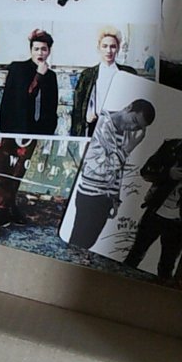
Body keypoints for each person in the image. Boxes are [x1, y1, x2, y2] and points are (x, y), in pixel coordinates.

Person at [124, 104, 182, 279]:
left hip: (180, 220)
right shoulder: (170, 146)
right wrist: (167, 174)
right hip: (155, 211)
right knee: (134, 255)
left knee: (166, 267)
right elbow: (146, 171)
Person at [67, 99, 156, 250]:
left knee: (88, 243)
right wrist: (126, 150)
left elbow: (118, 170)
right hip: (90, 196)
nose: (133, 127)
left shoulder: (127, 134)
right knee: (78, 242)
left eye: (138, 127)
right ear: (128, 107)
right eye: (134, 120)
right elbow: (99, 168)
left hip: (105, 199)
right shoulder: (101, 124)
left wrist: (115, 198)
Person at [71, 26, 137, 137]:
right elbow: (78, 106)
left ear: (118, 48)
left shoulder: (127, 73)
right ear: (99, 48)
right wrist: (87, 115)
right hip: (95, 125)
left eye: (112, 46)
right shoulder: (87, 75)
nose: (108, 51)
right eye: (105, 46)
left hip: (118, 127)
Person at [0, 29, 58, 135]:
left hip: (41, 130)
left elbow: (52, 107)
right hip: (19, 128)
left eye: (44, 49)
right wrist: (39, 75)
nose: (40, 53)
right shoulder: (18, 69)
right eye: (36, 49)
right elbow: (24, 97)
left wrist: (50, 129)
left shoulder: (51, 76)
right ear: (31, 51)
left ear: (49, 51)